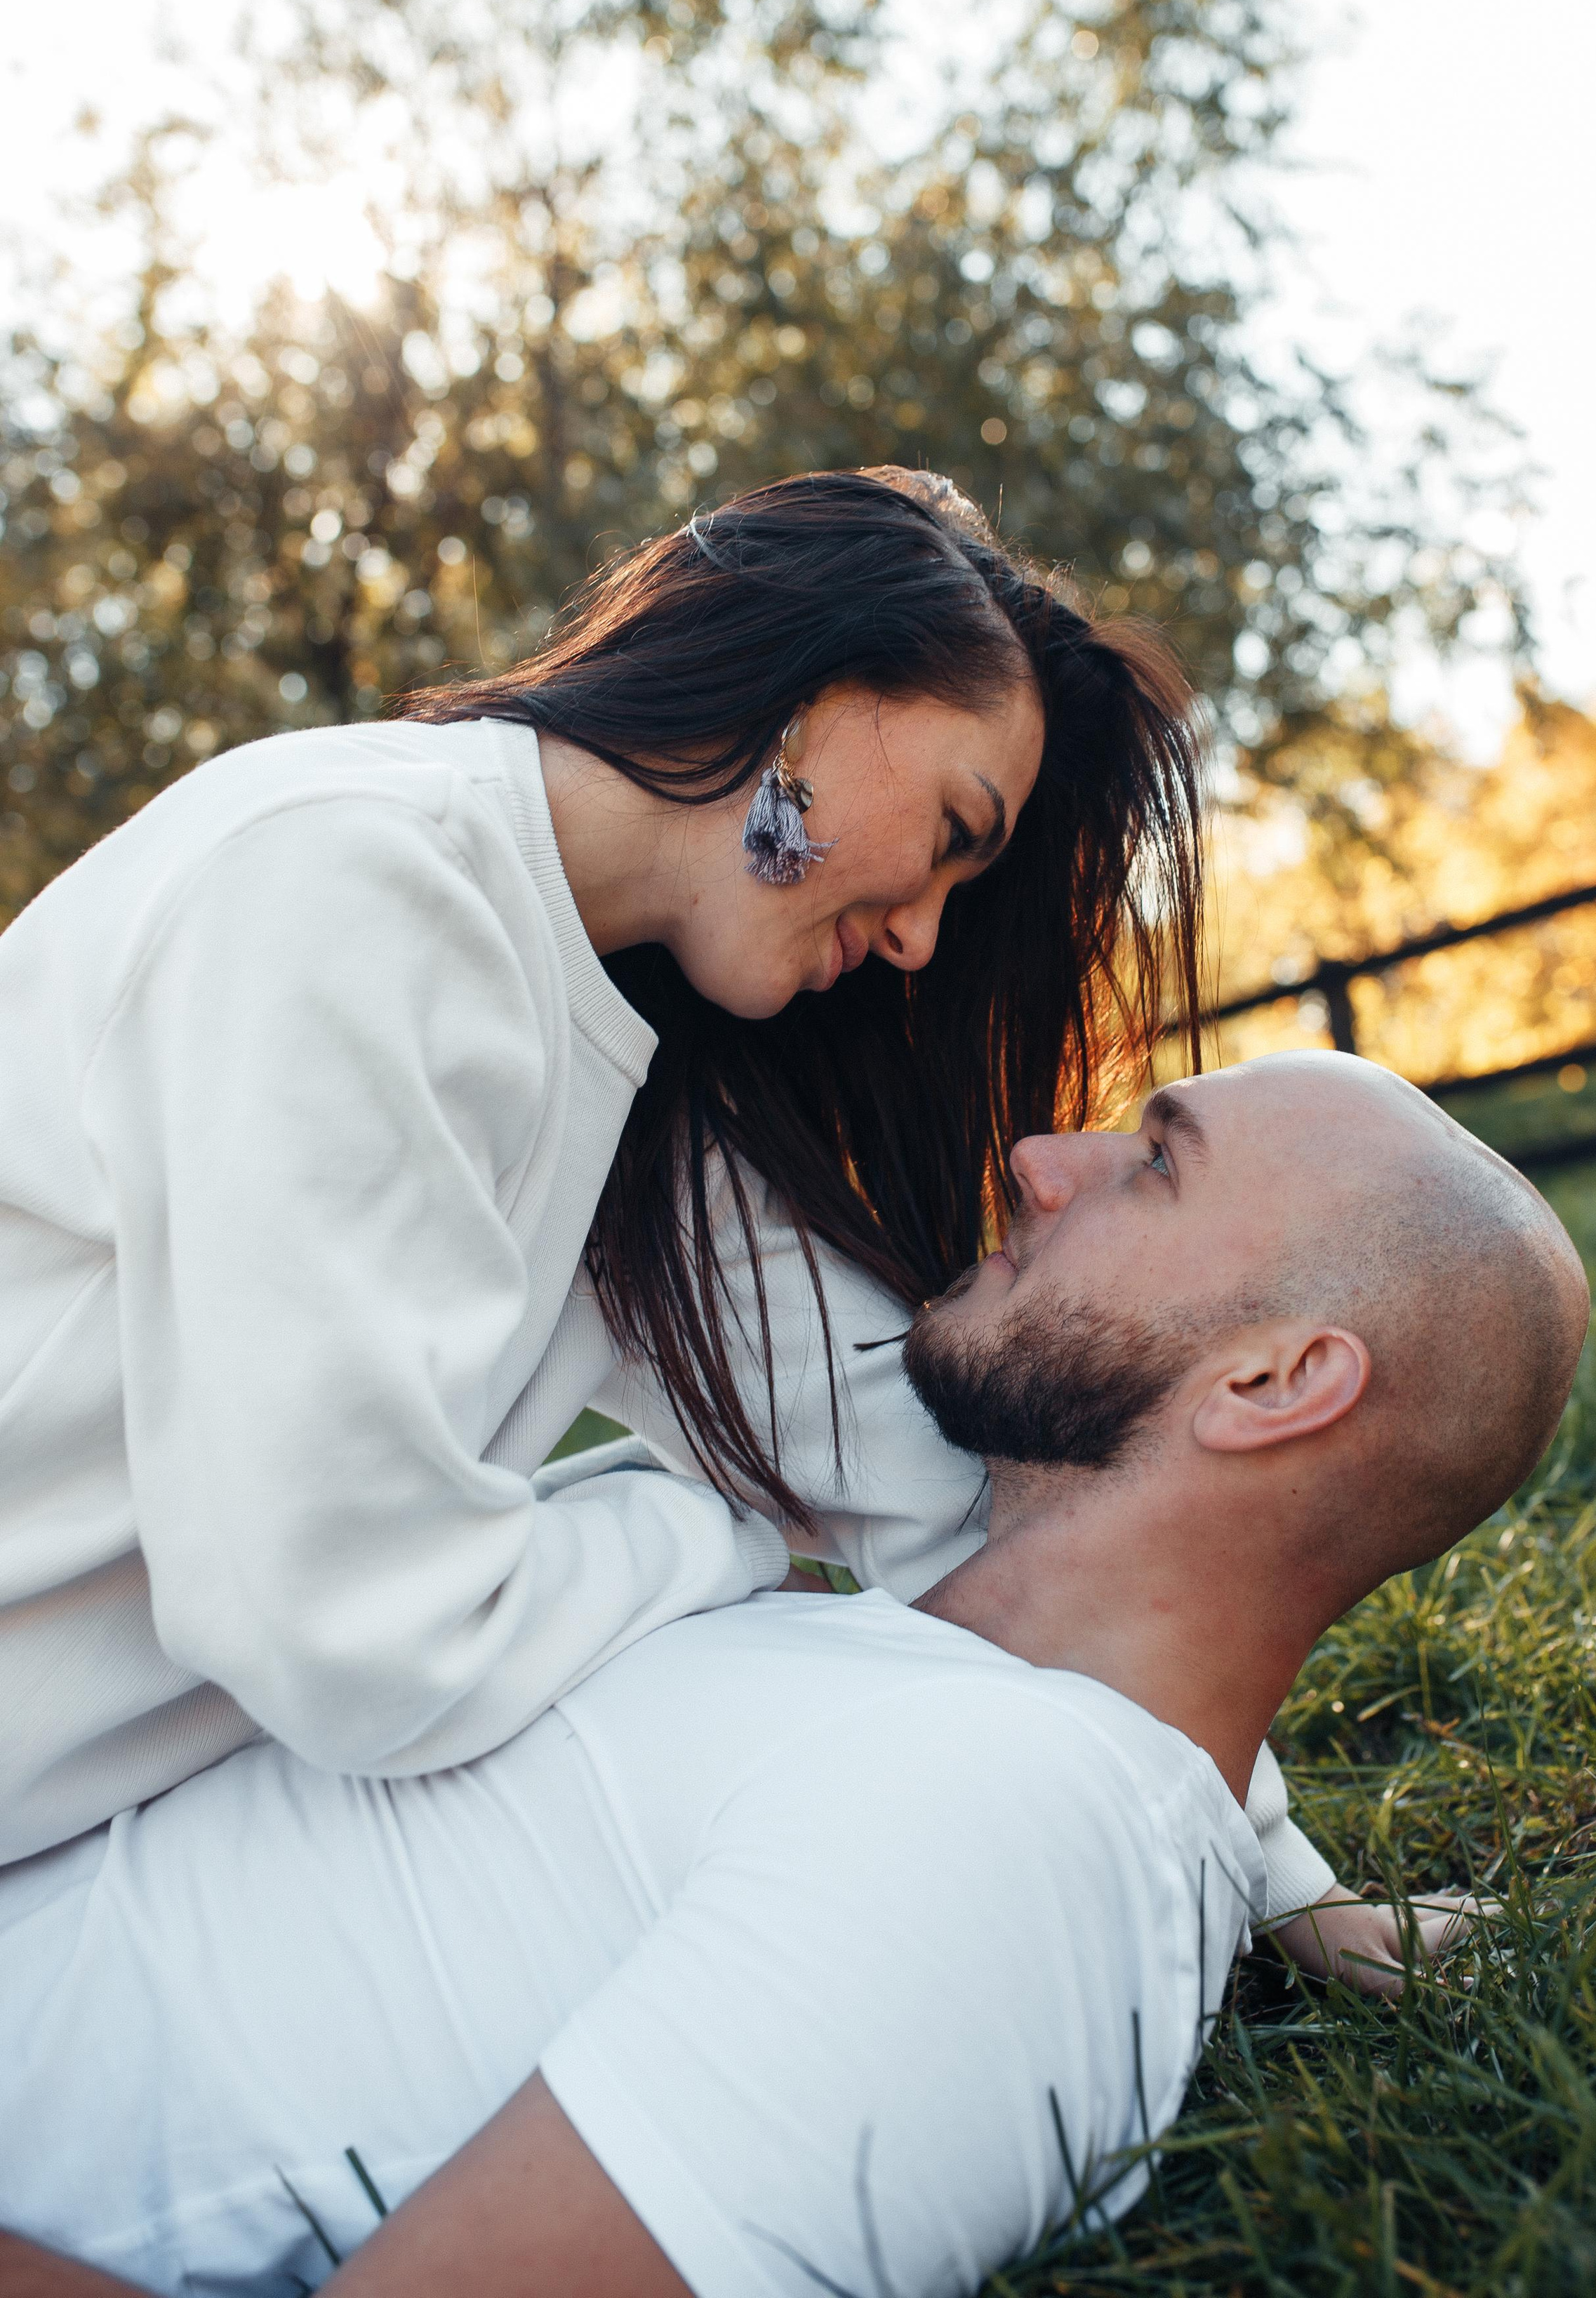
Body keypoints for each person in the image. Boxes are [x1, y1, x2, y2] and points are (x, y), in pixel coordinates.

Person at [0, 1053, 1590, 2298]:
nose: (1041, 1160)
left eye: (1153, 1163)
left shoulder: (1027, 1837)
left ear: (1273, 1382)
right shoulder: (862, 1637)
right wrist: (1293, 1900)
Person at [0, 466, 1195, 1864]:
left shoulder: (643, 1087)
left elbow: (935, 1496)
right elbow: (360, 1640)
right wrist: (715, 1533)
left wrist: (1263, 1867)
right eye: (948, 833)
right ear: (810, 692)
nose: (925, 936)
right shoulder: (338, 883)